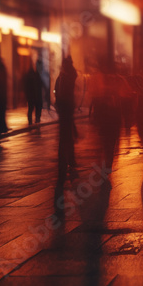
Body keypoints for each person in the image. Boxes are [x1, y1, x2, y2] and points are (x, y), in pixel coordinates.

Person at [53, 56, 80, 216]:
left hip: (64, 108)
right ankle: (69, 161)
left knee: (66, 135)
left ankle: (67, 160)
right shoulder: (68, 75)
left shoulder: (63, 76)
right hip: (67, 108)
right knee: (67, 135)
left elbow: (59, 92)